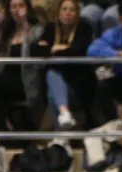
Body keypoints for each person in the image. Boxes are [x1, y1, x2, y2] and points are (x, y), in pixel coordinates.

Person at [0, 0, 46, 132]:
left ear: (27, 8)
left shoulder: (38, 30)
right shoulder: (8, 33)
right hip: (5, 79)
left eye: (20, 5)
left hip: (25, 81)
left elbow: (36, 51)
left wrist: (25, 24)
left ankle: (1, 125)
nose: (17, 10)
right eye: (13, 6)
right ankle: (3, 126)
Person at [36, 0, 95, 130]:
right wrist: (62, 49)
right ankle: (64, 114)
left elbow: (76, 51)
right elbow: (37, 50)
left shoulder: (84, 28)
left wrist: (52, 49)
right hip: (57, 83)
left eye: (72, 10)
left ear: (77, 13)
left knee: (52, 85)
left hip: (78, 84)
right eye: (64, 9)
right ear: (58, 12)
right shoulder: (50, 28)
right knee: (53, 80)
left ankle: (62, 137)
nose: (68, 13)